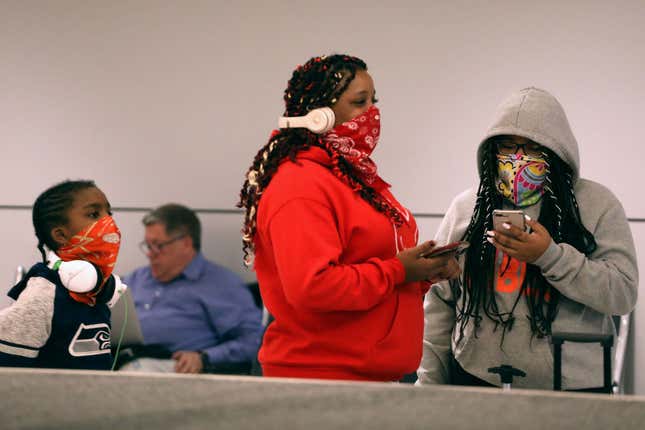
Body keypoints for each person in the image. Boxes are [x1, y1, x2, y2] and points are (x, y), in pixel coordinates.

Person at [238, 54, 461, 381]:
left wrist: (421, 272)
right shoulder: (300, 184)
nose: (372, 113)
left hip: (366, 377)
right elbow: (313, 287)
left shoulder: (352, 178)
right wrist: (399, 270)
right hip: (321, 379)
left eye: (374, 101)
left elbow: (374, 270)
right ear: (318, 115)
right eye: (360, 102)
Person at [416, 87, 638, 389]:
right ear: (491, 150)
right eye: (507, 146)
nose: (517, 158)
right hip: (475, 380)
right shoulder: (467, 207)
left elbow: (622, 294)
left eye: (533, 147)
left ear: (558, 152)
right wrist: (429, 383)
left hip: (571, 393)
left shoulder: (596, 204)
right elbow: (440, 301)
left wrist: (549, 256)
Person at [121, 203, 262, 374]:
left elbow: (254, 340)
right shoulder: (135, 279)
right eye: (148, 246)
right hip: (119, 358)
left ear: (186, 243)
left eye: (158, 246)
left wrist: (204, 357)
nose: (150, 254)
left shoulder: (221, 285)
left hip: (172, 368)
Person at [0, 179, 125, 370]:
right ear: (60, 235)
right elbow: (8, 377)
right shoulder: (42, 295)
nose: (108, 221)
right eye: (94, 214)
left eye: (109, 213)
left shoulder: (97, 290)